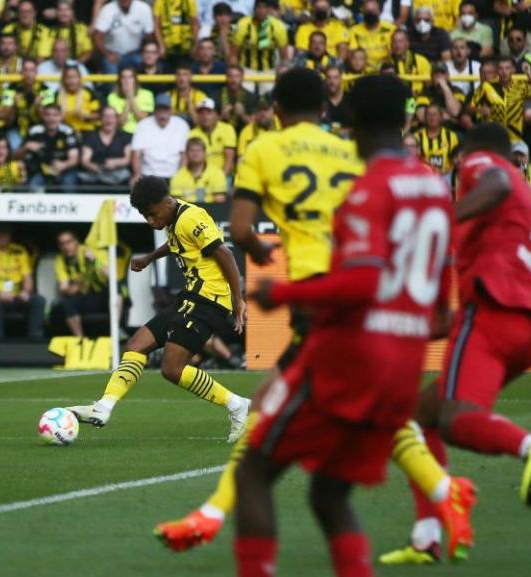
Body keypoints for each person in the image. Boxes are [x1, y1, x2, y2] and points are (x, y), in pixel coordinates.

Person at [230, 73, 455, 577]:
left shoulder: (366, 189)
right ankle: (439, 496)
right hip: (405, 362)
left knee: (254, 471)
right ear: (406, 119)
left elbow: (360, 283)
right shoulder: (434, 185)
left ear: (351, 122)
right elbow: (442, 309)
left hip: (353, 350)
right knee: (329, 492)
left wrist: (279, 292)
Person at [155, 67, 363, 553]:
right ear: (326, 108)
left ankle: (209, 516)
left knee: (269, 420)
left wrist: (262, 277)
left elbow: (241, 234)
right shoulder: (352, 156)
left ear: (275, 111)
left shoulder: (264, 150)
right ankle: (441, 500)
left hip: (317, 296)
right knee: (373, 414)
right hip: (364, 292)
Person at [381, 123, 531, 564]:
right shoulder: (520, 211)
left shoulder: (486, 167)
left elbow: (496, 180)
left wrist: (444, 216)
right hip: (526, 326)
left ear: (470, 153)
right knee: (417, 418)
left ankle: (530, 446)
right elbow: (446, 320)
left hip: (492, 311)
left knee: (455, 419)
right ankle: (427, 535)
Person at [67, 176, 250, 440]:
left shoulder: (191, 217)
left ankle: (237, 404)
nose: (150, 221)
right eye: (144, 216)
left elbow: (225, 253)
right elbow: (177, 244)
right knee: (136, 345)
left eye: (152, 214)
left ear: (167, 202)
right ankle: (103, 406)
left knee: (171, 369)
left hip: (208, 300)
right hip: (190, 296)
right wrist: (151, 258)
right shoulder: (173, 219)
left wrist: (238, 299)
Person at [0, 225, 45, 341]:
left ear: (10, 235)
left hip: (17, 295)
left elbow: (28, 277)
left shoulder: (19, 250)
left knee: (38, 300)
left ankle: (35, 341)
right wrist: (0, 294)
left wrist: (26, 291)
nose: (2, 236)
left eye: (5, 233)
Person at [53, 230, 114, 339]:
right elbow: (64, 288)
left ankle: (117, 332)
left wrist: (95, 261)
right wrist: (76, 285)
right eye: (62, 244)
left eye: (69, 242)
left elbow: (111, 275)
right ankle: (80, 340)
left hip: (101, 294)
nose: (66, 247)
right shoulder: (61, 259)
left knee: (117, 294)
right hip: (83, 297)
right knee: (66, 303)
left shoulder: (91, 251)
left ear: (76, 241)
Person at [17, 102, 80, 190]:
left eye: (55, 115)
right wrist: (25, 147)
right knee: (34, 186)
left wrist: (64, 165)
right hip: (41, 171)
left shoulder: (67, 131)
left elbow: (74, 159)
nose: (52, 118)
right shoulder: (35, 131)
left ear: (61, 116)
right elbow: (15, 156)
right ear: (43, 116)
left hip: (65, 170)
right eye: (48, 115)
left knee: (68, 184)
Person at [131, 93, 190, 182]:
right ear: (155, 110)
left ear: (171, 110)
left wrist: (181, 175)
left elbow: (184, 154)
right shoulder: (143, 125)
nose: (163, 112)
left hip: (173, 175)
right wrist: (137, 174)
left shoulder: (181, 125)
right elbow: (136, 153)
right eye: (160, 109)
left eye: (165, 109)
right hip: (148, 175)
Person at [94, 0, 155, 73]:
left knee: (147, 66)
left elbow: (149, 35)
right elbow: (97, 36)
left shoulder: (144, 8)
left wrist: (145, 53)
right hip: (113, 53)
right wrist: (107, 54)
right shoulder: (108, 9)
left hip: (136, 52)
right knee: (111, 77)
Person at [79, 106, 132, 188]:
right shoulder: (90, 136)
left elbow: (127, 159)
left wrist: (115, 162)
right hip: (95, 174)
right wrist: (92, 166)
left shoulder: (125, 136)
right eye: (105, 116)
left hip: (118, 174)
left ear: (116, 119)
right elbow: (85, 160)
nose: (108, 120)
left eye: (111, 117)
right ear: (101, 119)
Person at [170, 137, 228, 202]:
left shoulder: (217, 173)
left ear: (205, 153)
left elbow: (220, 200)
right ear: (186, 153)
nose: (195, 154)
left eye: (199, 150)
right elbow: (176, 202)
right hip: (187, 210)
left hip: (211, 210)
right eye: (192, 150)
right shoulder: (178, 175)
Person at [189, 98, 237, 177]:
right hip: (200, 178)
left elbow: (229, 159)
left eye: (208, 112)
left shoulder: (227, 129)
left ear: (217, 115)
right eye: (201, 113)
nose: (205, 116)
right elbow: (190, 161)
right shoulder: (192, 134)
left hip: (223, 176)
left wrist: (220, 180)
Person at [46, 65, 100, 134]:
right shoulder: (57, 94)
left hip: (87, 130)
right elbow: (49, 114)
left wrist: (85, 116)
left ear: (79, 78)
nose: (71, 81)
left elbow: (98, 115)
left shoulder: (88, 92)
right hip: (64, 132)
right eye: (68, 77)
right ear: (64, 79)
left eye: (74, 77)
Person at [414, 103, 461, 182]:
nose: (432, 117)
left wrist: (446, 172)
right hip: (424, 176)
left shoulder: (451, 136)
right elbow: (415, 159)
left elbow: (455, 158)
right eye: (429, 114)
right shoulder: (417, 136)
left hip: (446, 175)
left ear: (441, 117)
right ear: (425, 117)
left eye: (435, 114)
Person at [107, 65, 154, 134]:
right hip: (121, 134)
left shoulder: (147, 94)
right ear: (120, 81)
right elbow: (121, 122)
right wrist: (128, 98)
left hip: (142, 133)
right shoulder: (112, 97)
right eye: (124, 78)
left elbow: (142, 120)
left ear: (135, 80)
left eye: (130, 77)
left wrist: (130, 96)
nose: (127, 81)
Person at [350, 0, 395, 73]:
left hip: (385, 70)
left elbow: (392, 53)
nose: (370, 14)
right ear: (363, 12)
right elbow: (353, 54)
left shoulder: (390, 29)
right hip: (363, 71)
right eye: (368, 11)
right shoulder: (354, 31)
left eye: (373, 11)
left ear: (379, 12)